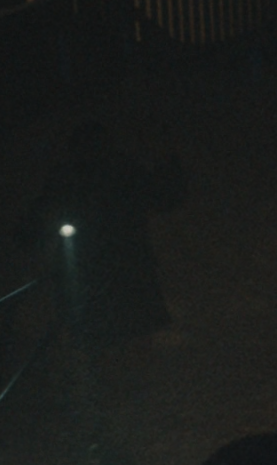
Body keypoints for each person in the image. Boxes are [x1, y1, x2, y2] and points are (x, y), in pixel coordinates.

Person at [21, 120, 186, 345]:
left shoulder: (80, 175)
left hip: (102, 277)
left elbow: (42, 216)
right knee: (120, 342)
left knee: (110, 343)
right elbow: (164, 197)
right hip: (111, 276)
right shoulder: (117, 171)